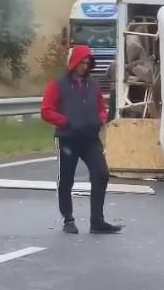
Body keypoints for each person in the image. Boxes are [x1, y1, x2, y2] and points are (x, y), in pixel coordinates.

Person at [40, 45, 122, 234]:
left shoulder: (93, 85)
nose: (84, 66)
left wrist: (100, 118)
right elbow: (46, 111)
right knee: (67, 179)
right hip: (68, 138)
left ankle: (97, 220)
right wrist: (65, 121)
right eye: (81, 62)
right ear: (74, 63)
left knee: (101, 173)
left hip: (90, 138)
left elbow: (102, 107)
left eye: (87, 63)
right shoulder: (58, 84)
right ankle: (68, 219)